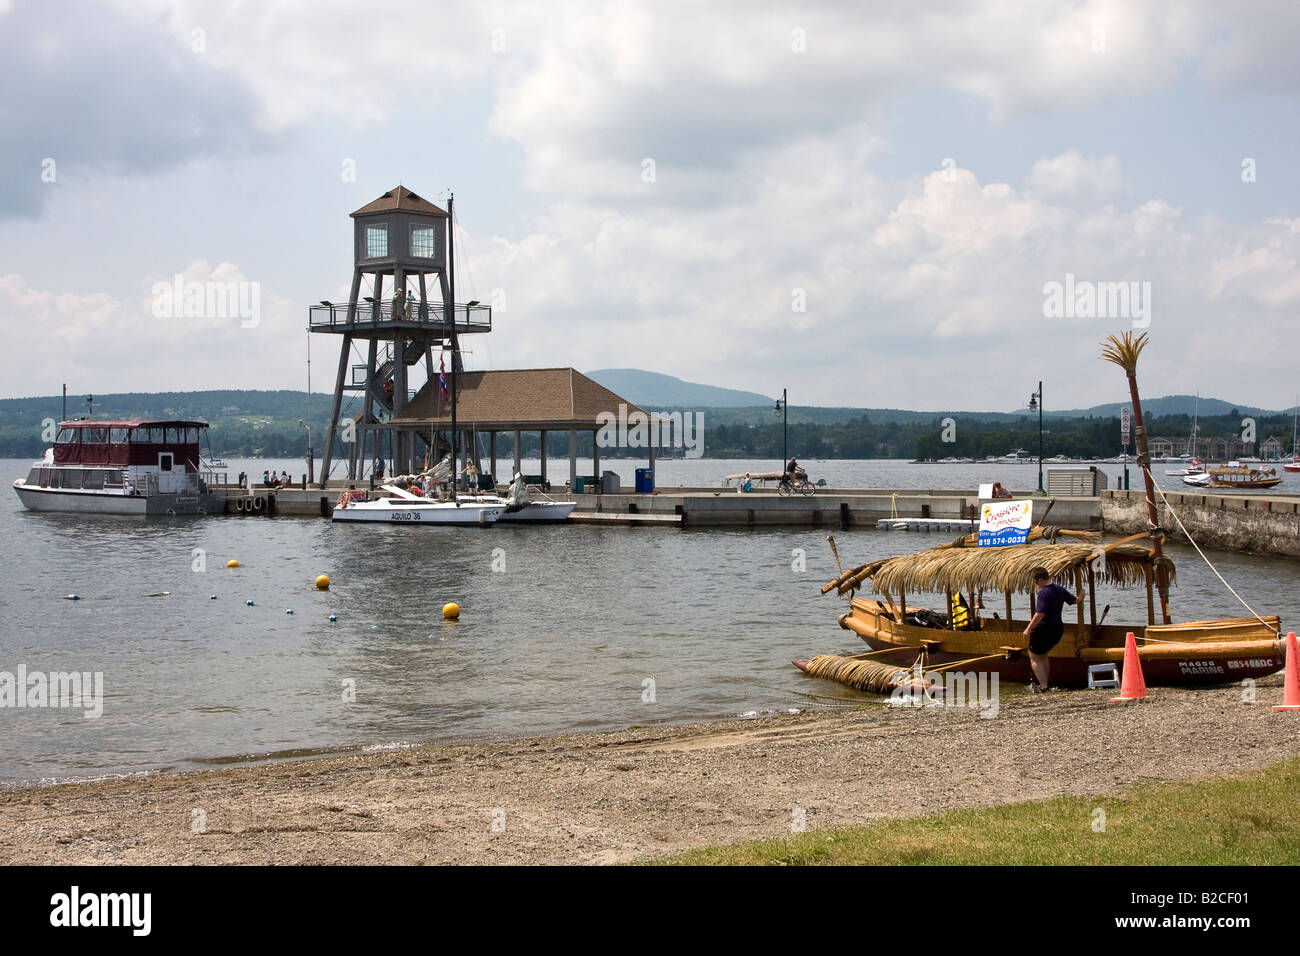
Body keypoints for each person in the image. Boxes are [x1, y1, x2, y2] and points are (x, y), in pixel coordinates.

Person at [1023, 567, 1081, 692]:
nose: (1036, 584)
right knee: (1043, 655)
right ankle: (1045, 684)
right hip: (1057, 629)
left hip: (1044, 628)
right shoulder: (1059, 589)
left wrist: (1028, 629)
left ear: (1039, 579)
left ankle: (1043, 686)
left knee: (1033, 655)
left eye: (1035, 582)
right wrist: (1082, 594)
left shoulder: (1043, 592)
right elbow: (1076, 601)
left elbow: (1040, 614)